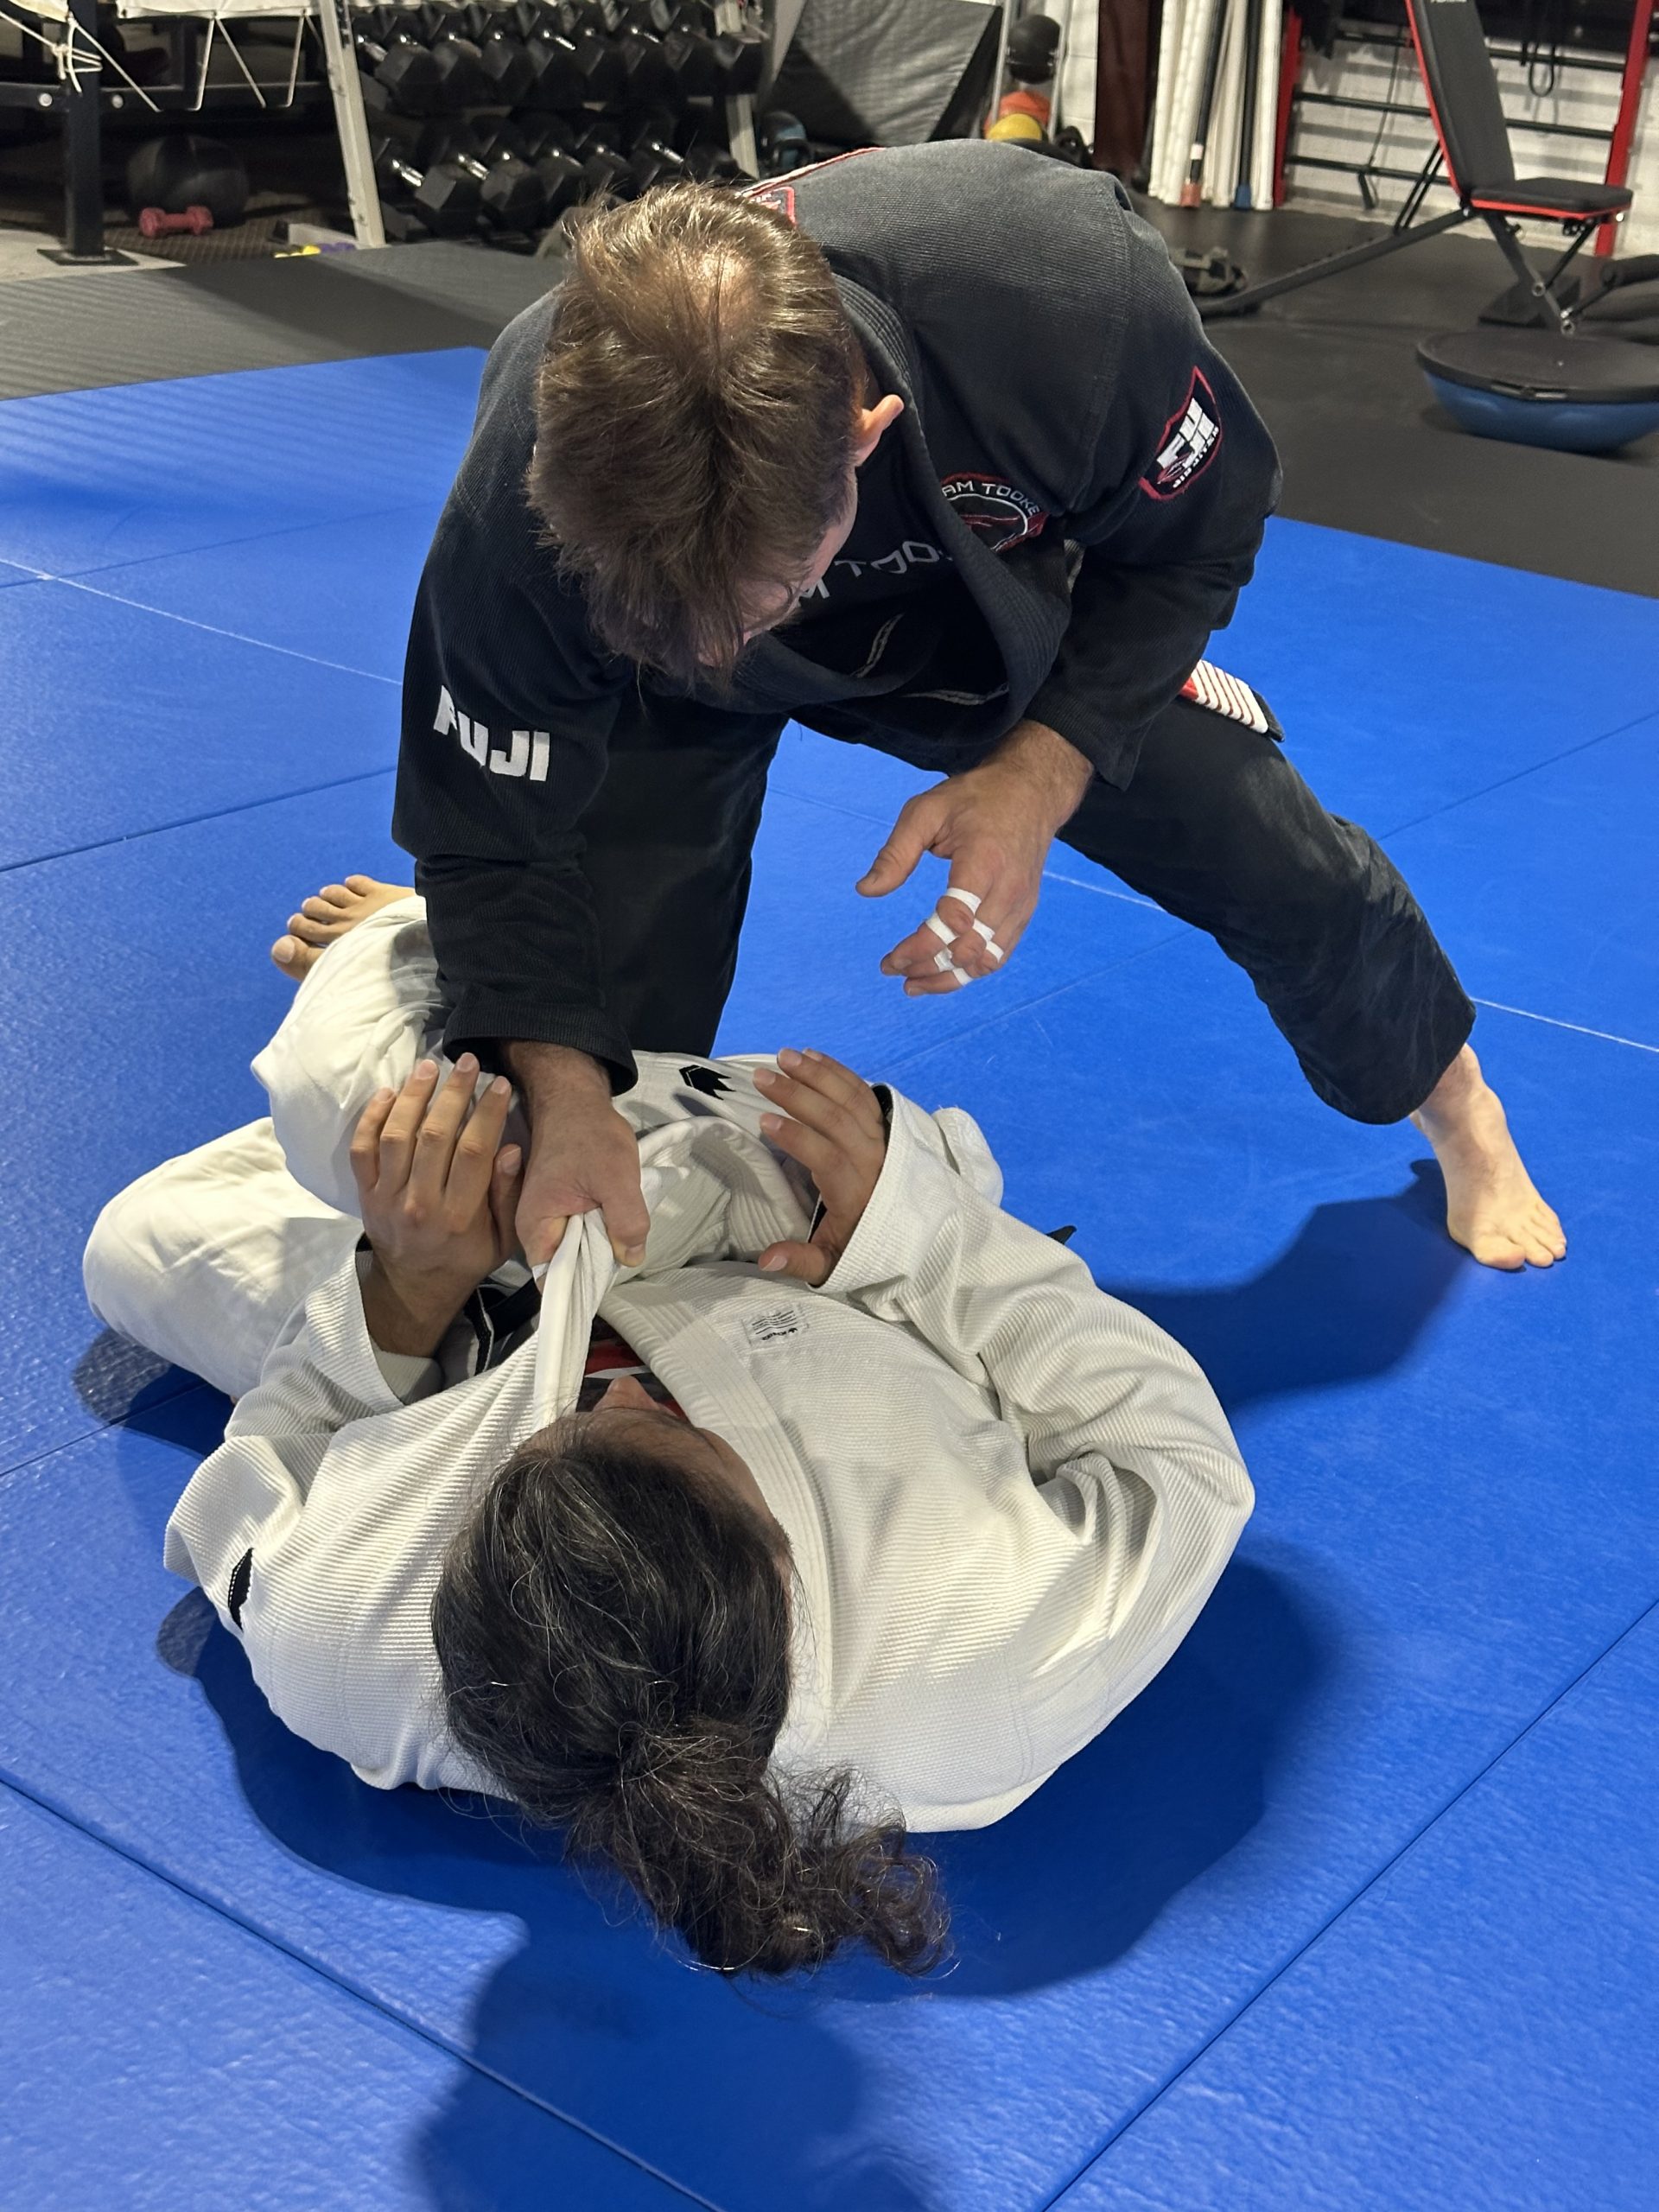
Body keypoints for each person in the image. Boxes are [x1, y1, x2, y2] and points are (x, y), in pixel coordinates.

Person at [364, 142, 1564, 1284]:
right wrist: (565, 1083)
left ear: (864, 436)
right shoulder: (536, 462)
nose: (738, 647)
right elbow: (484, 816)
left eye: (763, 599)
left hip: (984, 615)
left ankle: (1455, 1098)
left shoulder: (1063, 307)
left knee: (1266, 849)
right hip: (647, 650)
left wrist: (1044, 772)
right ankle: (458, 983)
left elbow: (1193, 552)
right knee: (585, 1030)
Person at [86, 877, 1251, 1976]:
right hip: (801, 1260)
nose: (625, 1385)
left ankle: (442, 974)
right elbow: (1180, 1461)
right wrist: (927, 1238)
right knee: (346, 1108)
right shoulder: (991, 1656)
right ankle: (494, 1013)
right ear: (780, 1555)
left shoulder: (359, 1638)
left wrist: (407, 1283)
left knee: (156, 1230)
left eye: (578, 1423)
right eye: (669, 1430)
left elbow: (275, 1459)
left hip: (484, 1324)